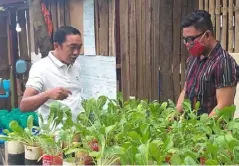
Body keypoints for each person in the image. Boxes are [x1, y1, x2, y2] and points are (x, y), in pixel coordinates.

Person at [176, 10, 237, 117]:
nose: (187, 44)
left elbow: (224, 106)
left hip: (213, 131)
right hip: (191, 128)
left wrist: (200, 130)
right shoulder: (193, 59)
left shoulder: (224, 62)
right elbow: (186, 90)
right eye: (185, 40)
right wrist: (173, 117)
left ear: (207, 35)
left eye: (191, 39)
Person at [20, 26, 83, 121]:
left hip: (79, 132)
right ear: (57, 46)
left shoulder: (76, 66)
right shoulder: (41, 68)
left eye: (79, 48)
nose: (76, 52)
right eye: (72, 47)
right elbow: (24, 105)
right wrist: (47, 94)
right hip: (55, 134)